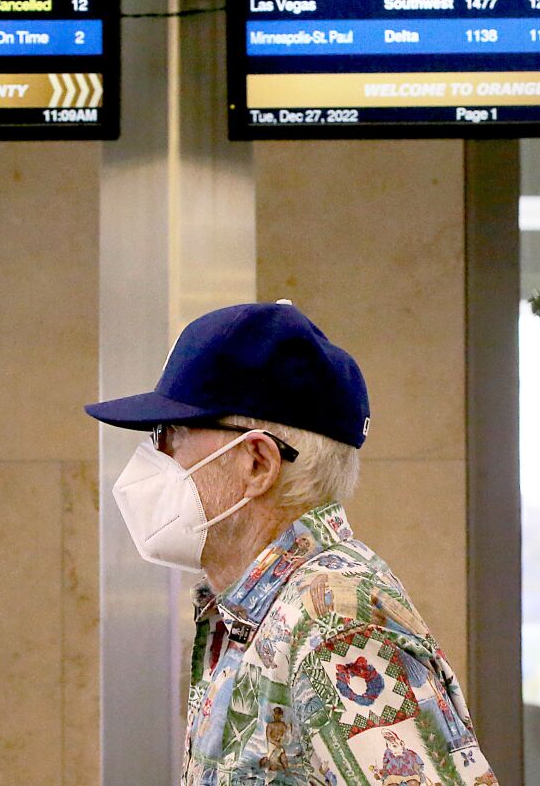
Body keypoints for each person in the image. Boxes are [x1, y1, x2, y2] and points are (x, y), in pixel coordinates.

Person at [88, 302, 500, 785]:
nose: (152, 455)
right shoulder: (255, 613)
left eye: (170, 432)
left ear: (257, 463)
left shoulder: (338, 624)